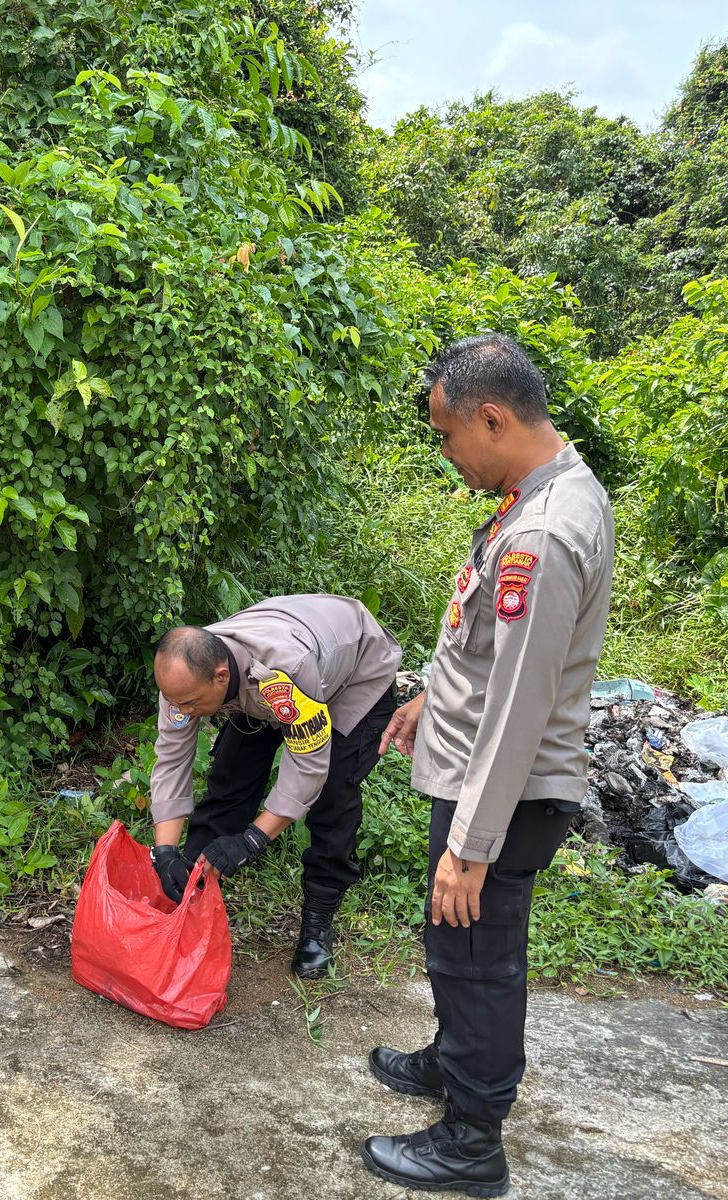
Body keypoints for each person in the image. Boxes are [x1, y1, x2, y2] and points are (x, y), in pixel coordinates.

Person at [360, 334, 615, 1198]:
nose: (445, 452)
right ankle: (451, 1058)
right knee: (456, 950)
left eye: (446, 434)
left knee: (478, 958)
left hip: (499, 794)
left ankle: (473, 1140)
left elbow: (519, 707)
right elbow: (498, 654)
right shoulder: (541, 490)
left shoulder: (540, 535)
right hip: (484, 775)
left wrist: (470, 846)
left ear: (494, 419)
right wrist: (434, 693)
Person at [147, 595, 401, 977]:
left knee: (332, 793)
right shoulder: (185, 678)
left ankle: (318, 922)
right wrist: (165, 850)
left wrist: (251, 840)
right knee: (230, 775)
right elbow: (171, 759)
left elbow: (309, 768)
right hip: (281, 672)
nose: (182, 711)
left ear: (220, 676)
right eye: (175, 703)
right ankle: (190, 890)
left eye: (191, 703)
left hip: (354, 675)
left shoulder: (282, 674)